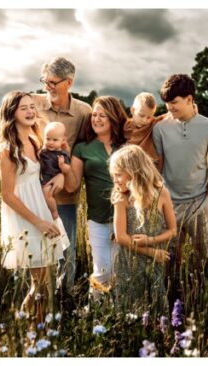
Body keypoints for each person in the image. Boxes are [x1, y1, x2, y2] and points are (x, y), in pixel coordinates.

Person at [152, 74, 208, 306]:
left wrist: (207, 204)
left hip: (199, 204)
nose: (170, 107)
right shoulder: (160, 128)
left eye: (175, 102)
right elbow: (158, 169)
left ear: (189, 99)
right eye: (167, 102)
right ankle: (172, 303)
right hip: (169, 206)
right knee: (169, 262)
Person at [0, 91, 68, 323]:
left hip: (42, 209)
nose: (30, 111)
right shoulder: (8, 149)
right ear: (11, 113)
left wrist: (60, 179)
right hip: (26, 217)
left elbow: (49, 173)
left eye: (31, 107)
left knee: (46, 279)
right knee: (41, 283)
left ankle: (36, 328)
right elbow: (7, 195)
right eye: (23, 108)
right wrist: (38, 221)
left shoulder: (36, 141)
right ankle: (25, 328)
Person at [31, 57, 92, 293]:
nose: (47, 86)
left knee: (66, 250)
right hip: (33, 194)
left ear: (69, 82)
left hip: (65, 196)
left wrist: (64, 175)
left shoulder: (84, 112)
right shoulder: (33, 104)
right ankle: (38, 296)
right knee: (34, 249)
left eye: (53, 82)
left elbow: (84, 152)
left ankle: (65, 299)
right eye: (45, 81)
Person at [58, 96, 127, 299]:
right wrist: (66, 167)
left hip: (126, 217)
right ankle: (95, 315)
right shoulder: (83, 148)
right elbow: (72, 187)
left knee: (122, 272)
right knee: (102, 271)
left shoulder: (126, 145)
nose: (96, 119)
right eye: (94, 115)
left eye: (102, 115)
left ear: (113, 118)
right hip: (98, 219)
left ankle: (121, 315)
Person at [108, 145, 177, 315]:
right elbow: (122, 237)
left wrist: (151, 241)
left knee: (154, 301)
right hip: (129, 261)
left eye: (118, 175)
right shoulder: (121, 198)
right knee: (129, 305)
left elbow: (173, 230)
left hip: (155, 261)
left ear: (134, 172)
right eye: (114, 175)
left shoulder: (162, 193)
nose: (115, 180)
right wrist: (151, 251)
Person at [39, 122, 70, 220]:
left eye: (55, 140)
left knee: (47, 195)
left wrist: (62, 165)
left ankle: (54, 211)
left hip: (52, 179)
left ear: (63, 140)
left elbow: (68, 169)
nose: (51, 142)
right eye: (48, 139)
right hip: (42, 177)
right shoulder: (44, 151)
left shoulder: (62, 155)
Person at [123, 92, 162, 165]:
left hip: (148, 165)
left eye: (149, 117)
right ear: (133, 110)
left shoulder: (153, 123)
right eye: (141, 115)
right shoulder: (125, 126)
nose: (145, 120)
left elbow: (168, 115)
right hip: (130, 164)